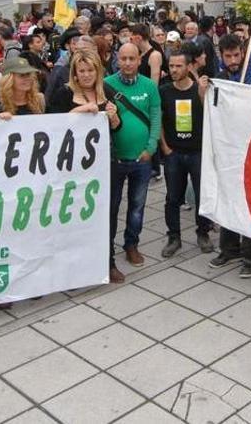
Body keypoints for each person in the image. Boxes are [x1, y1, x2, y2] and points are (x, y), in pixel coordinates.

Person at [47, 47, 124, 282]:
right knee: (75, 214)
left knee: (108, 212)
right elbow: (52, 125)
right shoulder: (63, 94)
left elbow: (116, 129)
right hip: (73, 166)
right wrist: (81, 109)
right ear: (75, 73)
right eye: (82, 71)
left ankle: (107, 261)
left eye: (91, 70)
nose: (87, 75)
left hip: (104, 163)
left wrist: (114, 117)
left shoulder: (106, 92)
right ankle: (73, 265)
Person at [204, 34, 251, 277]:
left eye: (236, 55)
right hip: (227, 147)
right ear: (221, 55)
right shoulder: (219, 78)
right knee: (229, 198)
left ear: (243, 53)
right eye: (227, 55)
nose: (232, 60)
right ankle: (229, 247)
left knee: (249, 201)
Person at [106, 42, 162, 269]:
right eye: (123, 58)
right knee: (112, 206)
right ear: (117, 60)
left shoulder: (149, 86)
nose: (127, 63)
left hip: (142, 159)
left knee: (137, 205)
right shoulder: (106, 85)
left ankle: (131, 244)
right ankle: (107, 247)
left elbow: (156, 117)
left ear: (140, 60)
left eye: (132, 58)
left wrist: (151, 148)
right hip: (115, 160)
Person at [158, 44, 213, 258]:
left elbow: (210, 115)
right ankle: (174, 237)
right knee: (173, 197)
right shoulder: (164, 91)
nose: (174, 70)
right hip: (174, 153)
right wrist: (165, 147)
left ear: (189, 66)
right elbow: (159, 120)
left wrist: (201, 93)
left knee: (201, 195)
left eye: (179, 66)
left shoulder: (199, 89)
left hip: (197, 152)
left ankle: (203, 232)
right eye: (171, 66)